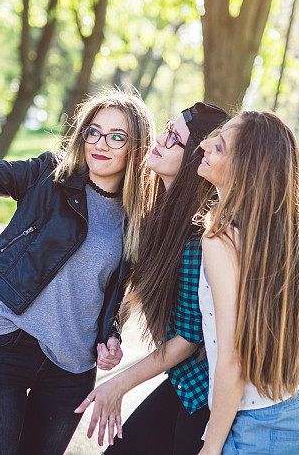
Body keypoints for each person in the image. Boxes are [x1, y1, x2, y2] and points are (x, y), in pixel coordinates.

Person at [0, 51, 156, 455]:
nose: (100, 144)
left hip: (71, 371)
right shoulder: (48, 176)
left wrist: (109, 334)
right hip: (5, 349)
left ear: (137, 147)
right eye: (93, 132)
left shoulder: (139, 217)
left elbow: (116, 289)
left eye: (117, 137)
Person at [74, 102, 228, 453]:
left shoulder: (196, 236)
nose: (160, 139)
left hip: (203, 396)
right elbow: (133, 285)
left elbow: (189, 336)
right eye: (167, 129)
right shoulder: (160, 213)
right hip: (183, 384)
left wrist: (118, 384)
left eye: (174, 138)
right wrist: (113, 331)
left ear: (193, 159)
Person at [195, 111, 299, 455]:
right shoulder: (294, 234)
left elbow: (233, 359)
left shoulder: (221, 240)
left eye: (219, 146)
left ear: (246, 169)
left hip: (267, 425)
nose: (202, 144)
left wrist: (210, 447)